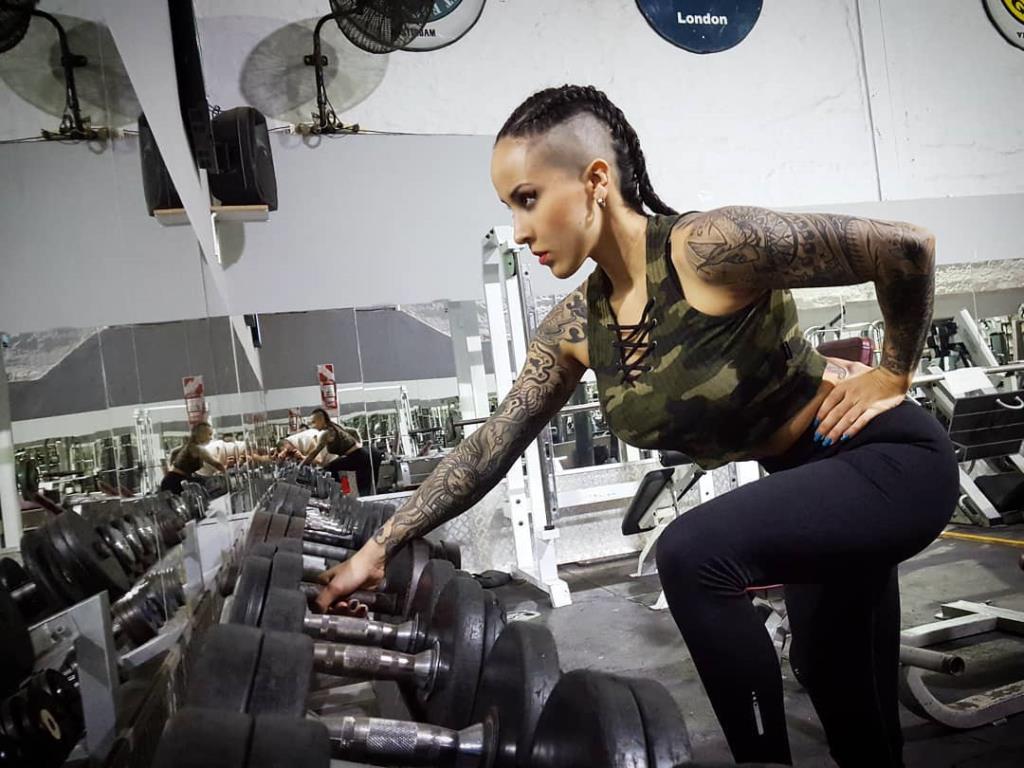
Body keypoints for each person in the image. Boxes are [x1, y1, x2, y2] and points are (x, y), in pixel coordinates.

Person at [315, 85, 958, 767]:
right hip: (810, 485)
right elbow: (493, 443)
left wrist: (893, 372)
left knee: (692, 555)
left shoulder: (709, 248)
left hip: (885, 460)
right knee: (840, 689)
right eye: (509, 207)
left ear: (595, 181)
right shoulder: (574, 328)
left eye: (528, 199)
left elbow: (905, 248)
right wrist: (380, 546)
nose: (520, 231)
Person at [301, 408, 376, 496]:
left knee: (330, 468)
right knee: (362, 489)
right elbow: (352, 432)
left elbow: (313, 453)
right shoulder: (335, 426)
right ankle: (340, 491)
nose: (312, 426)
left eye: (314, 422)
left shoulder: (327, 433)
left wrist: (300, 466)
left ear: (321, 420)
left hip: (358, 456)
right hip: (360, 455)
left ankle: (338, 492)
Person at [160, 422, 226, 494]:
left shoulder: (189, 446)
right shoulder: (197, 448)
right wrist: (226, 476)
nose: (211, 438)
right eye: (209, 434)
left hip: (173, 480)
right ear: (201, 434)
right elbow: (217, 464)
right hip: (175, 482)